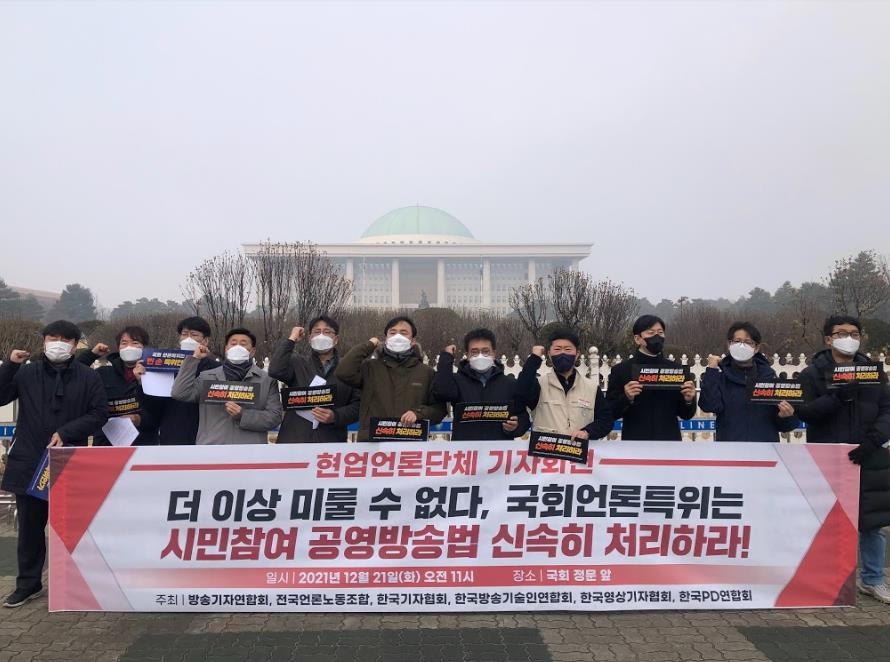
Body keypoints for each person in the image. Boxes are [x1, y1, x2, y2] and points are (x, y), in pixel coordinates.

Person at [0, 320, 108, 608]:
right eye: (52, 337)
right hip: (29, 460)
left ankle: (80, 583)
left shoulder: (88, 377)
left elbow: (99, 414)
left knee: (76, 527)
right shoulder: (26, 373)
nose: (57, 343)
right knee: (30, 529)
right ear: (44, 340)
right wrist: (9, 365)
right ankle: (28, 584)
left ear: (74, 345)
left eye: (64, 339)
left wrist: (67, 432)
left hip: (70, 460)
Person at [796, 315, 890, 604]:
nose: (848, 337)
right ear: (828, 339)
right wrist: (838, 397)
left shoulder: (873, 372)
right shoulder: (812, 373)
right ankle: (826, 580)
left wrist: (874, 439)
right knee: (826, 520)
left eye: (854, 333)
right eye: (841, 333)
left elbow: (888, 408)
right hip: (828, 454)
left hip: (869, 454)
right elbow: (806, 413)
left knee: (872, 521)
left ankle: (873, 579)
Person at [335, 315, 446, 441]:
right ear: (386, 339)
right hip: (373, 444)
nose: (397, 336)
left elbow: (439, 409)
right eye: (392, 333)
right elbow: (343, 371)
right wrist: (369, 345)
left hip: (410, 443)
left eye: (404, 333)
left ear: (413, 340)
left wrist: (418, 413)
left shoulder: (426, 372)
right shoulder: (370, 368)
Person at [171, 327, 282, 444]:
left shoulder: (266, 380)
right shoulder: (208, 377)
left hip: (250, 451)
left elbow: (274, 417)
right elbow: (180, 393)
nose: (237, 347)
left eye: (243, 344)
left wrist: (243, 415)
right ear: (226, 349)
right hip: (212, 448)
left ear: (252, 351)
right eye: (233, 343)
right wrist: (194, 359)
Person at [699, 321, 798, 442]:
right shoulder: (721, 377)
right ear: (729, 344)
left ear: (756, 348)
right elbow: (710, 405)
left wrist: (786, 416)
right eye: (737, 341)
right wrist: (711, 371)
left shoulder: (770, 378)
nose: (742, 345)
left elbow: (786, 426)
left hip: (765, 451)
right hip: (730, 450)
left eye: (747, 342)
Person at [267, 316, 360, 443]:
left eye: (327, 332)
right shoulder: (297, 363)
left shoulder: (349, 368)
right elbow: (275, 370)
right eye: (317, 332)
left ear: (336, 339)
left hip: (331, 442)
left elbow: (358, 406)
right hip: (295, 439)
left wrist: (335, 416)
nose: (321, 335)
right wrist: (291, 340)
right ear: (310, 338)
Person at [605, 314, 697, 440]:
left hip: (669, 443)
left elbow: (686, 415)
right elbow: (610, 412)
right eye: (651, 332)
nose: (657, 336)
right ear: (638, 339)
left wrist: (689, 400)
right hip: (635, 444)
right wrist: (626, 398)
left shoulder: (676, 371)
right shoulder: (621, 370)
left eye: (660, 332)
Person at [515, 327, 612, 440]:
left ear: (577, 354)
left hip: (578, 453)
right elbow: (520, 392)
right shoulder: (539, 385)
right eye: (557, 349)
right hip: (546, 454)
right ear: (549, 354)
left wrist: (588, 432)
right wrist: (534, 359)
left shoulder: (591, 388)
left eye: (567, 349)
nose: (562, 353)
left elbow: (606, 420)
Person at [433, 328, 530, 440]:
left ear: (493, 353)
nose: (480, 356)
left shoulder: (509, 384)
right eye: (474, 352)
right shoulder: (457, 381)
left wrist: (515, 427)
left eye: (485, 351)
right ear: (467, 355)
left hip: (498, 452)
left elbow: (523, 418)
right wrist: (446, 357)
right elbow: (442, 391)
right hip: (466, 452)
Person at [76, 325, 159, 445]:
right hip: (106, 442)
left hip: (143, 444)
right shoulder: (103, 373)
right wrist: (91, 355)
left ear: (145, 347)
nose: (129, 347)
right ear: (118, 347)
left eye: (135, 343)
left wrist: (139, 419)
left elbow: (159, 411)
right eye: (124, 343)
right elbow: (74, 373)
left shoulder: (155, 375)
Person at [147, 316, 218, 445]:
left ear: (206, 341)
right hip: (173, 431)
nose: (188, 338)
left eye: (194, 335)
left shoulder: (215, 368)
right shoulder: (165, 365)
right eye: (184, 334)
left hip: (205, 434)